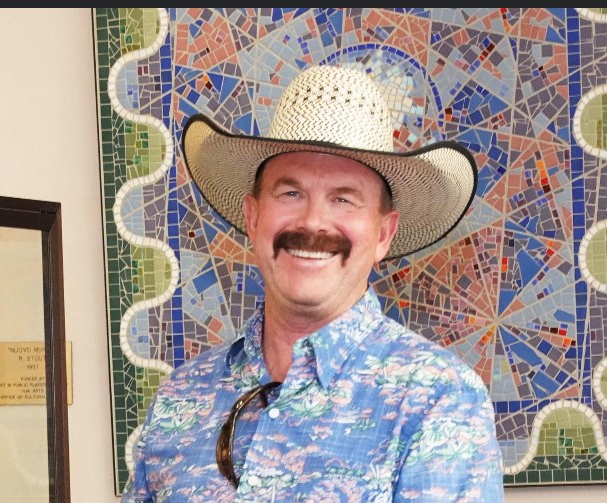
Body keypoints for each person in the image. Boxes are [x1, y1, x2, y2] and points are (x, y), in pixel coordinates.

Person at [121, 64, 504, 502]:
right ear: (253, 217)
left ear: (383, 234)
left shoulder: (438, 400)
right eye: (290, 193)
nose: (313, 223)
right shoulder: (180, 397)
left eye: (343, 198)